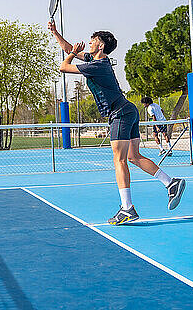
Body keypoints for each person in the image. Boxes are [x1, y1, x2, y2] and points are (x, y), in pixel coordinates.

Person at [49, 21, 185, 225]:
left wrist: (71, 53)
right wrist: (55, 32)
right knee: (134, 156)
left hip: (120, 113)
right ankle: (171, 182)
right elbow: (69, 49)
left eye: (93, 40)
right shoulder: (96, 60)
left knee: (120, 160)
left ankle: (127, 208)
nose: (90, 42)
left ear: (101, 46)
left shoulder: (97, 65)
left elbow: (63, 66)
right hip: (127, 110)